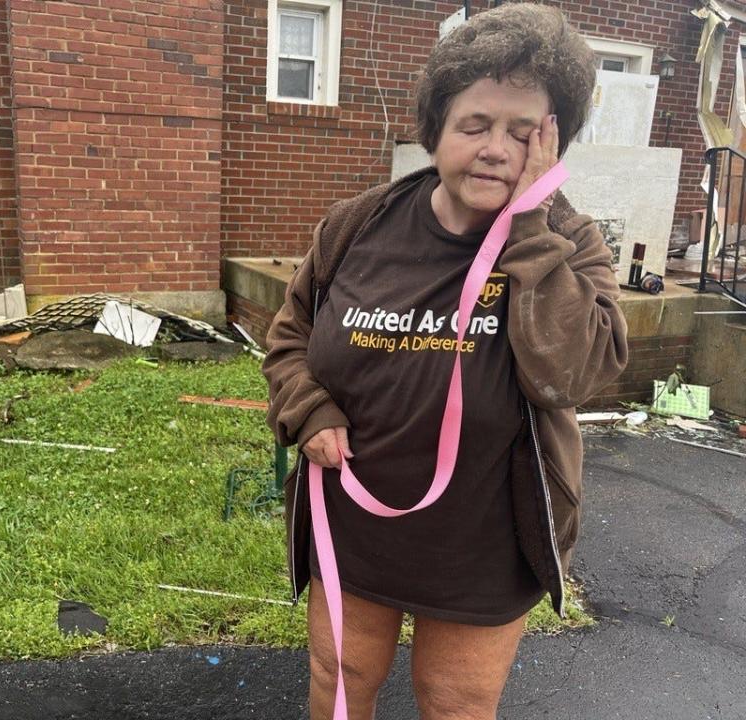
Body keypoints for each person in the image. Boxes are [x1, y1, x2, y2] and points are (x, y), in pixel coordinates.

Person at [262, 4, 629, 719]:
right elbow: (289, 338)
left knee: (456, 702)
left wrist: (528, 225)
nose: (497, 149)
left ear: (554, 144)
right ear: (436, 130)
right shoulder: (357, 225)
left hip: (483, 539)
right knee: (340, 675)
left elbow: (575, 373)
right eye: (475, 125)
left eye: (524, 133)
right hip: (355, 518)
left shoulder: (569, 241)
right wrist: (307, 407)